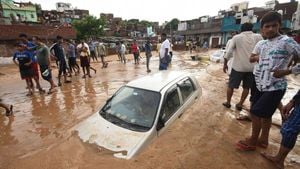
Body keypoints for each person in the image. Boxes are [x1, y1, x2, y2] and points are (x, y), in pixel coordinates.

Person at [236, 11, 300, 152]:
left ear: (279, 26)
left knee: (256, 113)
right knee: (265, 114)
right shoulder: (261, 43)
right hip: (258, 83)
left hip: (275, 86)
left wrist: (287, 71)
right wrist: (257, 58)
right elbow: (251, 58)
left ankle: (253, 141)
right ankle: (263, 140)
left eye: (274, 25)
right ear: (262, 29)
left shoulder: (287, 42)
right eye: (267, 26)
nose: (270, 29)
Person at [222, 23, 262, 111]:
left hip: (238, 67)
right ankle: (240, 104)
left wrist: (225, 64)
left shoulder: (237, 38)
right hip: (252, 68)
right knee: (246, 87)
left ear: (241, 29)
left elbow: (228, 52)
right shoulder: (258, 37)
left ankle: (228, 103)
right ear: (252, 28)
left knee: (231, 86)